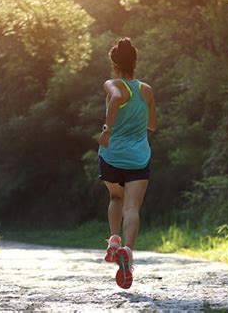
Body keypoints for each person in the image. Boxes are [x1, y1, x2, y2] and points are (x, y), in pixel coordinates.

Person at [97, 37, 157, 289]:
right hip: (138, 156)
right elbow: (152, 125)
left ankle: (113, 239)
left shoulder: (112, 83)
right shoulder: (146, 90)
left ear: (114, 63)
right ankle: (127, 252)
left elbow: (116, 97)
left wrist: (108, 129)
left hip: (111, 154)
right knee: (132, 208)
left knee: (115, 198)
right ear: (135, 62)